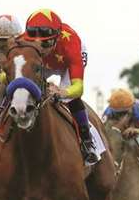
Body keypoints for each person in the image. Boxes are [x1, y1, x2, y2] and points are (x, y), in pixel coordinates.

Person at [22, 9, 98, 163]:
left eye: (46, 42)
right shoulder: (22, 39)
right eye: (33, 43)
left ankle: (87, 141)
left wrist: (63, 92)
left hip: (66, 61)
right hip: (44, 63)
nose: (40, 49)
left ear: (56, 37)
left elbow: (78, 88)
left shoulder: (71, 43)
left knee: (70, 99)